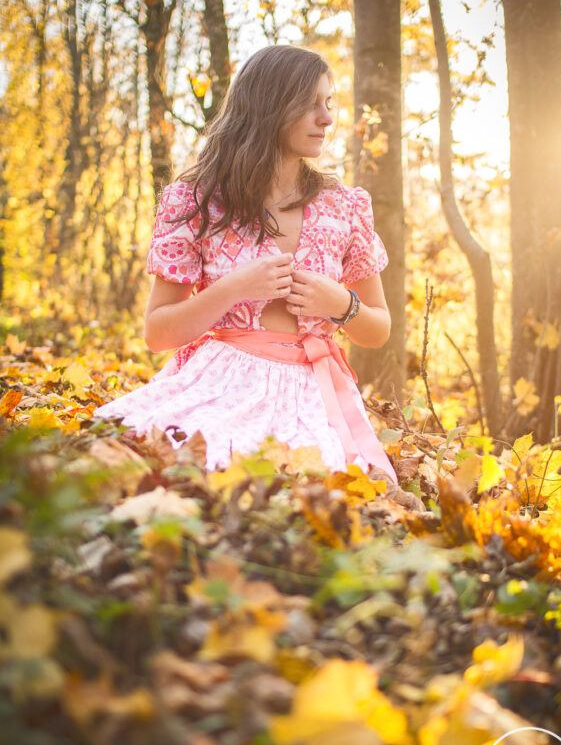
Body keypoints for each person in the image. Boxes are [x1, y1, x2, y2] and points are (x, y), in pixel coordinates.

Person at [93, 45, 398, 484]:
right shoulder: (196, 201)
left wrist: (341, 304)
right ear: (268, 105)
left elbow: (378, 329)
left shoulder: (345, 206)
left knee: (312, 491)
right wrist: (233, 288)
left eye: (329, 103)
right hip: (221, 383)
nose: (327, 118)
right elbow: (158, 333)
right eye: (310, 104)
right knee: (193, 471)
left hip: (314, 392)